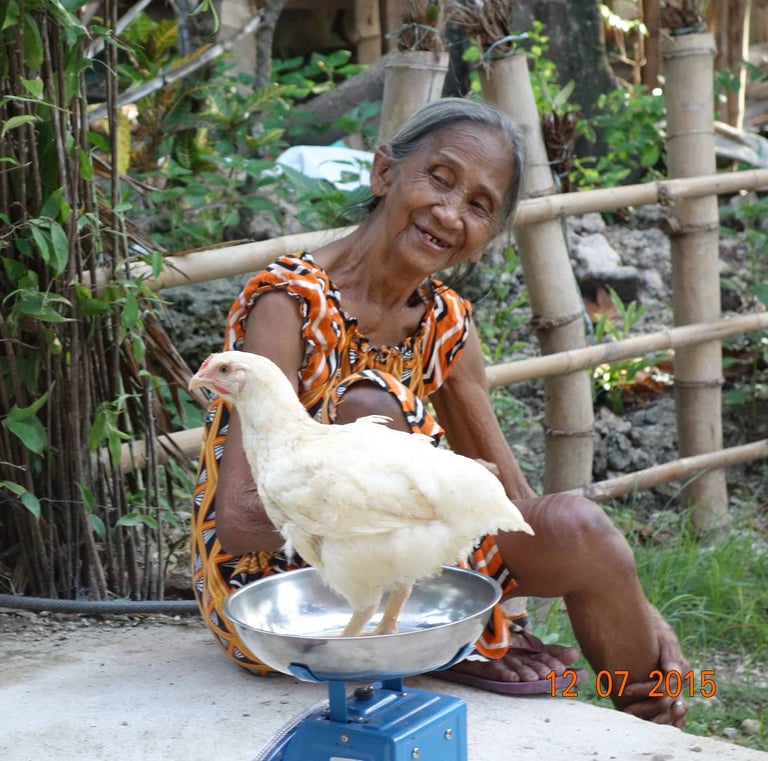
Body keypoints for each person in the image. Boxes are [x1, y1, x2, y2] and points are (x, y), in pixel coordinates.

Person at [191, 97, 689, 727]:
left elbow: (509, 499)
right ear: (384, 173)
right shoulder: (288, 301)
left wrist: (632, 600)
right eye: (440, 178)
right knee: (368, 406)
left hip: (402, 544)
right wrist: (420, 534)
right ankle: (456, 644)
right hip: (280, 574)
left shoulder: (445, 321)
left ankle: (654, 728)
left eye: (479, 205)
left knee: (580, 530)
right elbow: (240, 520)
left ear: (487, 237)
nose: (451, 213)